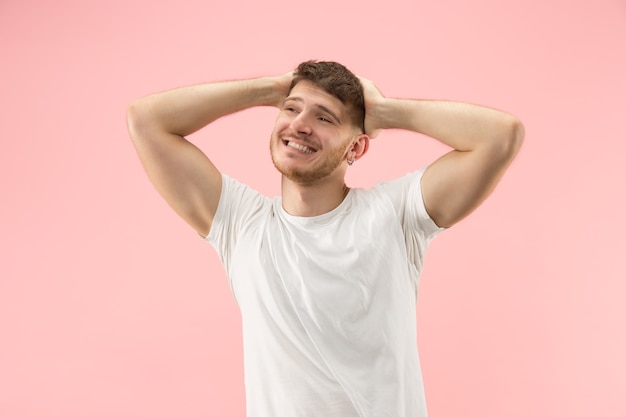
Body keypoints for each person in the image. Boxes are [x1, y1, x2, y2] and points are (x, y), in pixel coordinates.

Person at [126, 60, 524, 417]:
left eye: (325, 118)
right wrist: (268, 90)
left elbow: (501, 135)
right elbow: (146, 120)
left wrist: (385, 111)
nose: (300, 124)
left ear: (357, 147)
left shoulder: (394, 214)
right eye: (292, 109)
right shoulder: (240, 222)